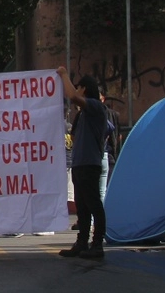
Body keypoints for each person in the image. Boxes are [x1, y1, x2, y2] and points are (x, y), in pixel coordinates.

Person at [57, 67, 107, 259]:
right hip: (80, 165)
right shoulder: (83, 115)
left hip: (89, 164)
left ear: (84, 89)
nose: (75, 91)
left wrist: (63, 75)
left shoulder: (95, 107)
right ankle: (82, 242)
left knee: (94, 204)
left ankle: (97, 244)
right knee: (82, 206)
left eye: (79, 88)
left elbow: (72, 96)